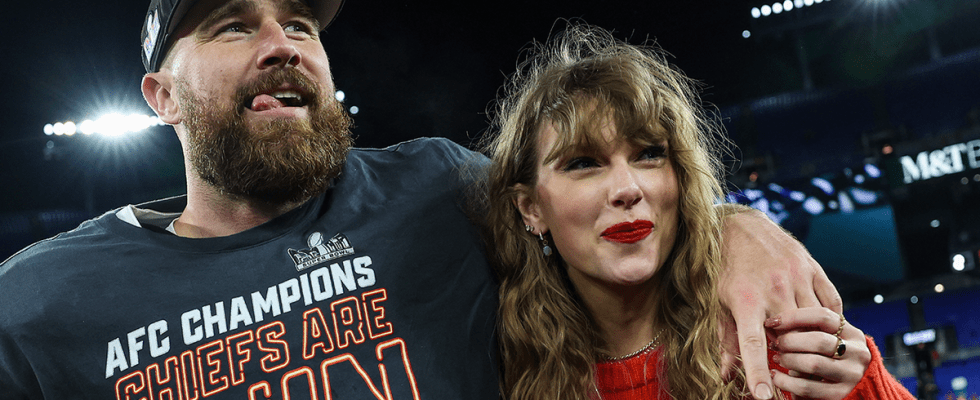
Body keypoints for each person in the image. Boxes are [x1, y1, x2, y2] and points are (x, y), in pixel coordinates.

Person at [0, 1, 839, 398]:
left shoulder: (439, 189)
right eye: (230, 24)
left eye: (300, 23)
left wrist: (733, 224)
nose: (281, 45)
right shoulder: (39, 305)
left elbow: (596, 207)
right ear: (161, 96)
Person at [479, 23, 914, 400]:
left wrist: (863, 387)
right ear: (530, 208)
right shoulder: (493, 368)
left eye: (649, 154)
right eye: (582, 163)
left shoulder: (763, 337)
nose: (627, 189)